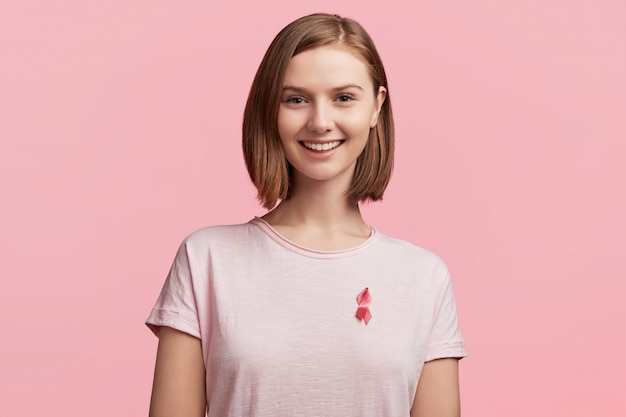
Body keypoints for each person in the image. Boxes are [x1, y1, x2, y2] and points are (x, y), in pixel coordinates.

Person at [146, 13, 466, 417]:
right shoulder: (205, 260)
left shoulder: (423, 277)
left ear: (376, 106)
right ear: (271, 110)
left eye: (344, 98)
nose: (319, 122)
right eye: (296, 99)